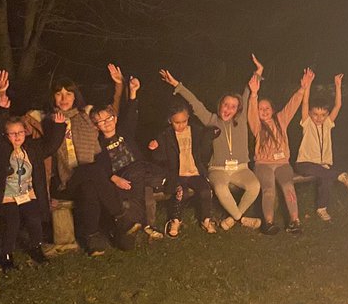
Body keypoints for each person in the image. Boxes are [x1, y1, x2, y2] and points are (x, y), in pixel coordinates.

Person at [159, 57, 262, 231]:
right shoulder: (211, 120)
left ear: (238, 109)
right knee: (220, 187)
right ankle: (241, 218)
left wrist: (258, 73)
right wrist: (177, 85)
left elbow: (248, 90)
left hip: (241, 168)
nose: (228, 109)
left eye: (233, 107)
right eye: (226, 105)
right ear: (220, 104)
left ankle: (233, 217)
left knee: (255, 186)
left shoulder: (242, 119)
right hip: (218, 169)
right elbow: (195, 103)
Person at [43, 69, 133, 255]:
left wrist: (119, 85)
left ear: (75, 96)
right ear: (53, 97)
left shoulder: (85, 116)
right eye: (59, 94)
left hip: (91, 179)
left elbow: (110, 114)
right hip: (65, 182)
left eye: (69, 93)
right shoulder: (46, 121)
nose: (64, 98)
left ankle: (93, 237)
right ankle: (120, 218)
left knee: (90, 186)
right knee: (92, 170)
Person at [0, 72, 66, 270]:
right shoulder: (1, 149)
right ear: (6, 135)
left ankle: (36, 247)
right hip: (8, 196)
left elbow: (50, 146)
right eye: (12, 133)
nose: (17, 136)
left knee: (34, 219)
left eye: (20, 132)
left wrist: (59, 126)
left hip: (27, 194)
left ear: (25, 132)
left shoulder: (31, 148)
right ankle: (6, 255)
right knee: (12, 223)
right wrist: (1, 110)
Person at [92, 74, 167, 240]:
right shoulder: (98, 144)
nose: (106, 122)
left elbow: (132, 114)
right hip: (124, 176)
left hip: (140, 172)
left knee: (145, 175)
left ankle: (141, 220)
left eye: (109, 118)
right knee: (143, 183)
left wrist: (133, 92)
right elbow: (100, 167)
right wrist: (114, 178)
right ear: (96, 126)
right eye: (101, 121)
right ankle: (147, 224)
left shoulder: (124, 132)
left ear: (115, 118)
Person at [249, 66, 313, 234]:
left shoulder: (281, 120)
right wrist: (254, 94)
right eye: (260, 109)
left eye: (267, 108)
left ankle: (295, 221)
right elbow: (251, 112)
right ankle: (269, 222)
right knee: (269, 189)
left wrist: (302, 88)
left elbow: (292, 105)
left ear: (273, 110)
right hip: (263, 164)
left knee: (288, 187)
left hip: (283, 163)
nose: (264, 111)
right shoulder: (257, 126)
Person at [148, 102, 217, 237]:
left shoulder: (195, 131)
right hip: (177, 174)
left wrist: (212, 134)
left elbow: (206, 141)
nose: (181, 125)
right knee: (181, 193)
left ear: (188, 118)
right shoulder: (166, 135)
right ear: (170, 121)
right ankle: (175, 220)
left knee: (205, 191)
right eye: (177, 122)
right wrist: (155, 148)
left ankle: (206, 219)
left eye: (184, 121)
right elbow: (159, 158)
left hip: (195, 172)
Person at [293, 70, 348, 222]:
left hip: (322, 164)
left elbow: (338, 105)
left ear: (326, 115)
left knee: (325, 176)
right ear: (310, 114)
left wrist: (338, 86)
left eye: (323, 115)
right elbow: (305, 103)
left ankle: (322, 208)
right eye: (315, 114)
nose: (319, 118)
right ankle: (339, 175)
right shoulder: (307, 123)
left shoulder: (328, 124)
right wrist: (308, 84)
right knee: (324, 172)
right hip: (304, 163)